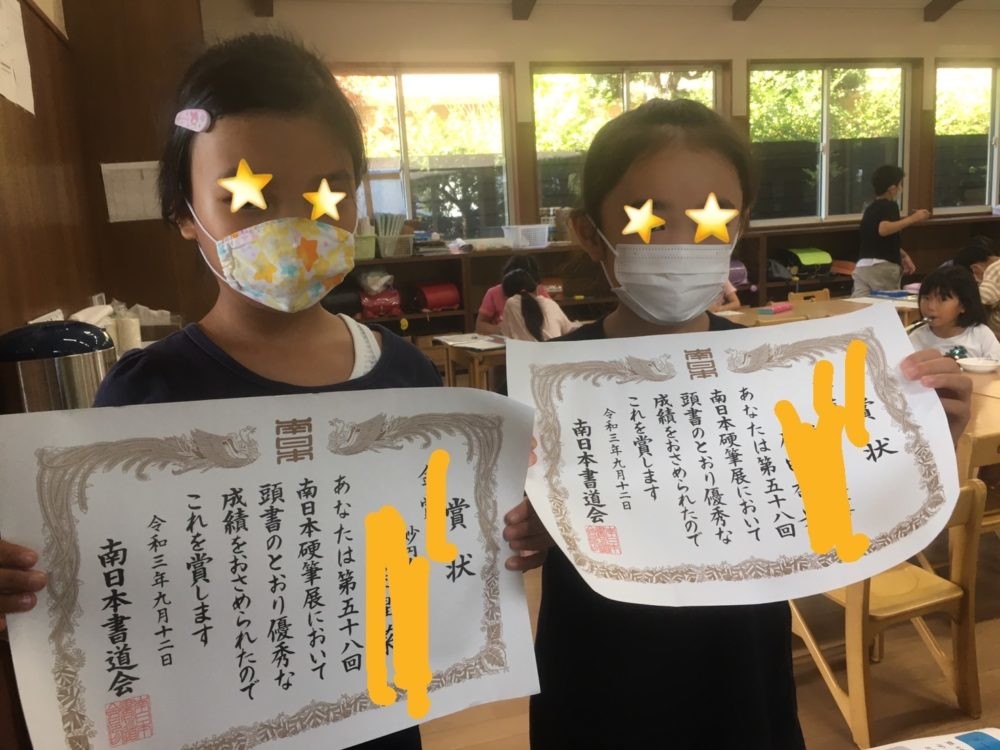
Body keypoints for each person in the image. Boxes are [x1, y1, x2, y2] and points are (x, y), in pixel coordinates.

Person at [0, 33, 549, 750]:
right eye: (247, 194)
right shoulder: (148, 392)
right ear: (184, 213)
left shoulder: (408, 378)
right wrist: (28, 580)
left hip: (380, 721)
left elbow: (444, 550)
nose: (294, 223)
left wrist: (519, 532)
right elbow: (110, 585)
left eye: (329, 192)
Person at [520, 98, 972, 749]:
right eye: (649, 220)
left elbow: (837, 508)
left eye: (711, 219)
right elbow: (502, 540)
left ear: (738, 228)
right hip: (599, 674)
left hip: (742, 671)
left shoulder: (774, 368)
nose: (682, 245)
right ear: (590, 233)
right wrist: (530, 530)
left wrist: (925, 436)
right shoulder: (546, 383)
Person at [851, 165, 931, 297]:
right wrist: (914, 218)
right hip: (883, 268)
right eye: (900, 185)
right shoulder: (890, 206)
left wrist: (903, 255)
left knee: (860, 304)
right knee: (885, 304)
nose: (901, 189)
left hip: (862, 266)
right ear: (892, 188)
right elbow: (883, 229)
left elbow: (877, 239)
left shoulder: (870, 209)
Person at [909, 266, 1000, 360]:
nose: (930, 307)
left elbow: (996, 364)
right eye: (926, 298)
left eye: (942, 299)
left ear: (963, 305)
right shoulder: (916, 337)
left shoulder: (980, 334)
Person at [475, 255, 550, 334]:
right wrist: (502, 330)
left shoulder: (539, 291)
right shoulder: (494, 293)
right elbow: (480, 325)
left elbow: (550, 321)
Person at [499, 268, 577, 341]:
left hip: (525, 351)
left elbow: (506, 334)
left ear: (507, 295)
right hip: (555, 350)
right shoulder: (550, 303)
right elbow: (568, 330)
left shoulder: (511, 303)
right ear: (536, 288)